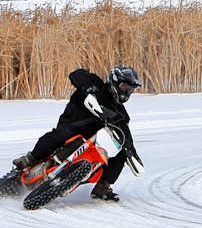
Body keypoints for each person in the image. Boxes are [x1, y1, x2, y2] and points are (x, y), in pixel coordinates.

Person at [12, 65, 142, 202]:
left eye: (130, 89)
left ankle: (102, 187)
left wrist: (132, 153)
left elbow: (125, 135)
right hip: (72, 125)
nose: (127, 92)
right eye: (124, 87)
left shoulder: (120, 113)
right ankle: (30, 158)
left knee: (120, 152)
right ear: (114, 81)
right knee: (61, 134)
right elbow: (76, 74)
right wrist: (87, 88)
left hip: (92, 139)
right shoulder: (95, 84)